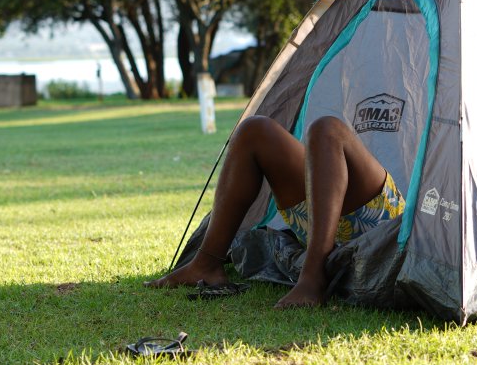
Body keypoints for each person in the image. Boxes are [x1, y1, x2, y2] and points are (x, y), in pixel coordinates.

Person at [147, 114, 406, 308]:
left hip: (380, 229)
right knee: (254, 129)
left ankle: (313, 276)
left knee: (328, 129)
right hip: (313, 224)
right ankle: (206, 264)